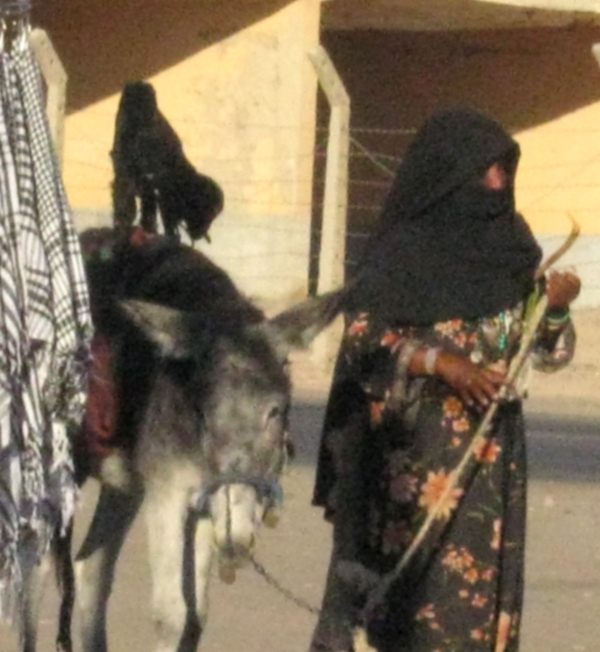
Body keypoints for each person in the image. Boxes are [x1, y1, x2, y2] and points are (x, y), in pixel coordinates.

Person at [309, 108, 581, 652]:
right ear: (450, 174)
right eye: (487, 171)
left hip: (488, 469)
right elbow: (362, 338)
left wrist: (554, 311)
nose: (499, 184)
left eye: (505, 170)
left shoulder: (513, 249)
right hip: (411, 465)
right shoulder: (401, 252)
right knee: (406, 612)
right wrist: (443, 365)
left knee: (469, 614)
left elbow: (548, 353)